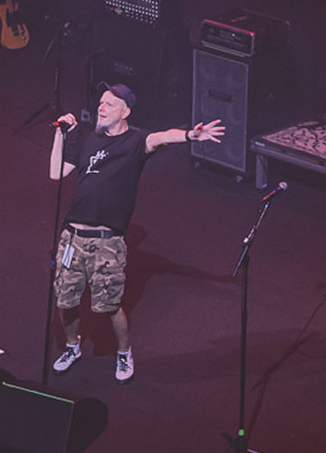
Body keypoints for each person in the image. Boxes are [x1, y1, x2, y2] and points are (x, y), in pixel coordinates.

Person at [48, 85, 226, 384]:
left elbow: (162, 137)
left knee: (109, 307)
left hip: (106, 242)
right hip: (72, 238)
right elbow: (56, 173)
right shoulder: (88, 138)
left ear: (125, 112)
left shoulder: (135, 141)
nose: (101, 107)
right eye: (101, 102)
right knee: (65, 301)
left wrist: (189, 135)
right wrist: (59, 134)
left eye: (110, 104)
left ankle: (124, 352)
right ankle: (72, 347)